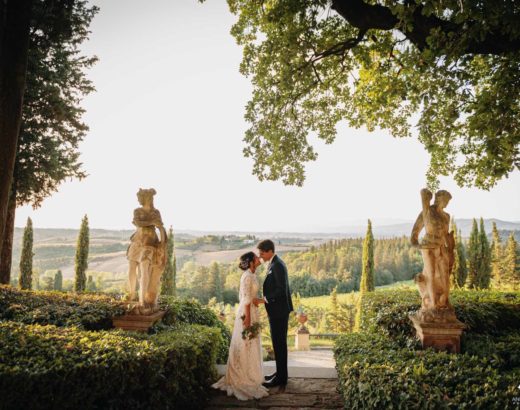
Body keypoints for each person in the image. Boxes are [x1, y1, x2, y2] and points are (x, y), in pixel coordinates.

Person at [212, 252, 269, 400]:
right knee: (245, 344)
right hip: (246, 314)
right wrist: (247, 321)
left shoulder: (253, 275)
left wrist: (264, 300)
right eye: (256, 258)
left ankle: (250, 375)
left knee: (251, 344)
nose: (259, 259)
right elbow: (245, 301)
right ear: (250, 262)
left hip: (252, 312)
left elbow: (252, 298)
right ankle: (242, 378)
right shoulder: (247, 277)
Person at [254, 239, 293, 388]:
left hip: (279, 312)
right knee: (278, 344)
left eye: (262, 252)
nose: (260, 255)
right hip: (277, 311)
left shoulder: (278, 265)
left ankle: (281, 378)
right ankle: (279, 373)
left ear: (270, 250)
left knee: (280, 344)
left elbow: (281, 290)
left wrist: (263, 300)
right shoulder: (273, 263)